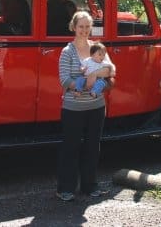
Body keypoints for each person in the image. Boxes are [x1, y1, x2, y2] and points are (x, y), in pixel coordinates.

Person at [56, 11, 116, 202]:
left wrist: (95, 76)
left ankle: (90, 186)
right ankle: (65, 188)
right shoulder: (67, 52)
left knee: (92, 147)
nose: (84, 30)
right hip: (73, 109)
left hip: (97, 107)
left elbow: (111, 70)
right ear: (73, 27)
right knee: (71, 148)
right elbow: (64, 79)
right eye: (81, 26)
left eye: (87, 26)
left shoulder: (98, 48)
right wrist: (84, 84)